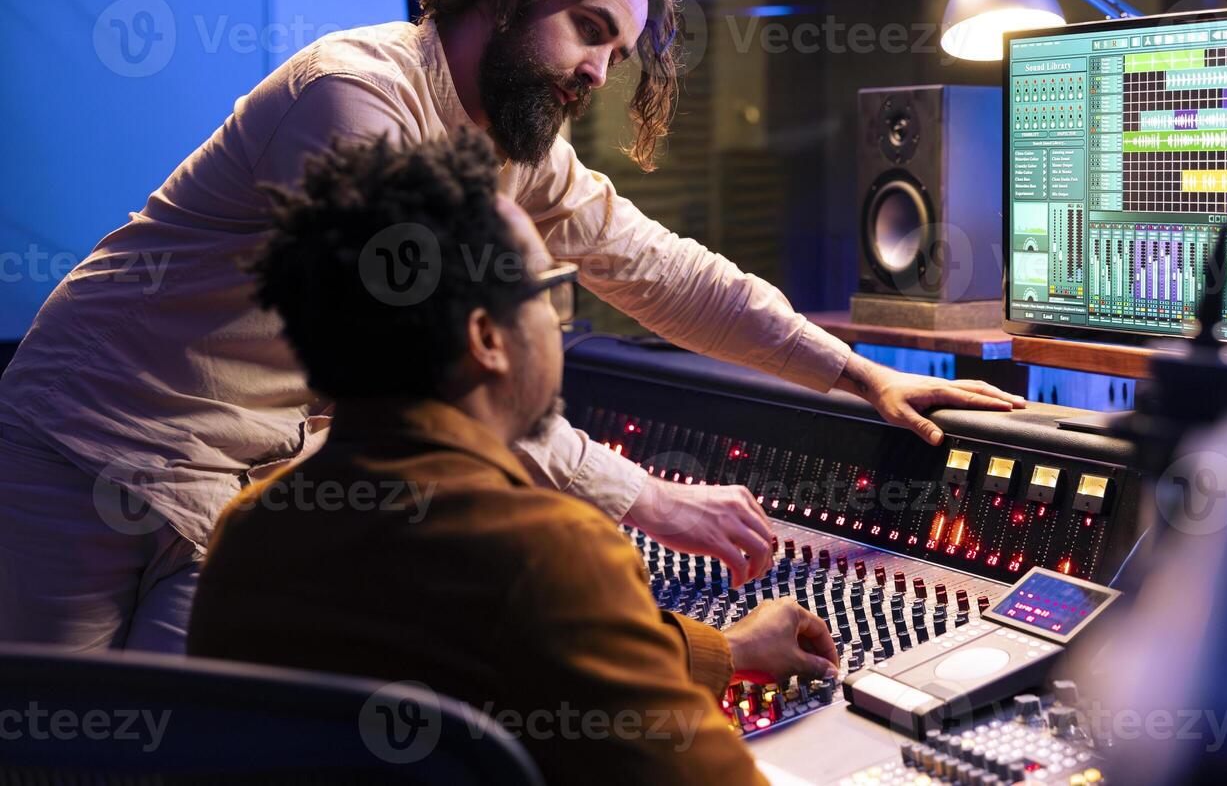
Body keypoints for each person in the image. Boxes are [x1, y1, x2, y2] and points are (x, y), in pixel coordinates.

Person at [0, 0, 1023, 653]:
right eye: (588, 30)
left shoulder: (518, 146)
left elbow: (666, 272)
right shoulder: (351, 95)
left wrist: (857, 370)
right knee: (63, 746)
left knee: (182, 745)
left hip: (232, 478)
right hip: (86, 441)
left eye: (617, 53)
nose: (598, 71)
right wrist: (651, 498)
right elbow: (444, 368)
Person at [188, 130, 837, 783]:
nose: (557, 322)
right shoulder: (551, 552)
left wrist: (728, 650)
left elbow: (504, 653)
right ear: (487, 338)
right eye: (548, 291)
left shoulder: (247, 534)